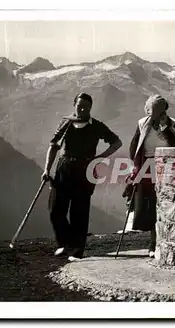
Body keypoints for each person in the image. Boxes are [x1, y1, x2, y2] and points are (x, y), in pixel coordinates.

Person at [42, 92, 122, 261]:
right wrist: (46, 169)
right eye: (79, 106)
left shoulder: (96, 126)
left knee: (80, 211)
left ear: (90, 108)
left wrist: (100, 157)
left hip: (86, 170)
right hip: (63, 168)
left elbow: (116, 142)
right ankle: (64, 244)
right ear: (74, 105)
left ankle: (77, 250)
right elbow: (53, 146)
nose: (82, 109)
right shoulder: (66, 123)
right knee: (55, 209)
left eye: (86, 106)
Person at [128, 95, 175, 258]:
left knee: (163, 203)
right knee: (151, 203)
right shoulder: (142, 123)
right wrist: (136, 166)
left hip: (166, 165)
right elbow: (134, 148)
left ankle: (158, 242)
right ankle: (153, 243)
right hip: (148, 166)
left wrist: (165, 127)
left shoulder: (171, 123)